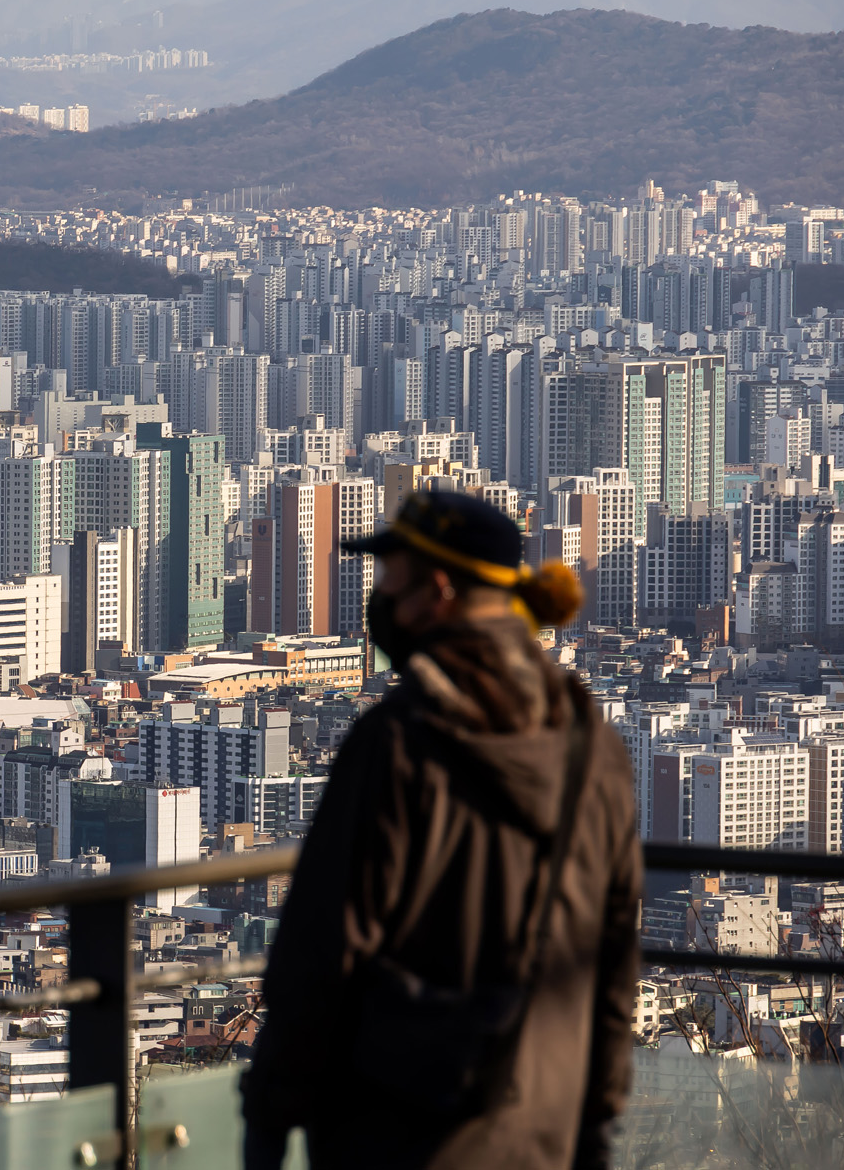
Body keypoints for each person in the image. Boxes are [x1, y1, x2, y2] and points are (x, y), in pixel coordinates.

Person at [242, 490, 640, 1170]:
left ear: (439, 588)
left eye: (390, 578)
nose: (380, 600)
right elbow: (611, 961)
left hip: (399, 1126)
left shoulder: (399, 742)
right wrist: (595, 1121)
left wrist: (270, 1118)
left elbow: (323, 953)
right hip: (541, 1121)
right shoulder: (591, 745)